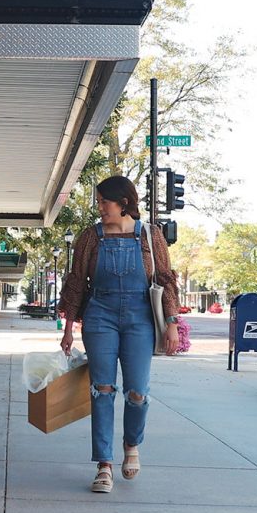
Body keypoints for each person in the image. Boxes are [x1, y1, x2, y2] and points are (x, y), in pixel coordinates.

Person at [58, 175, 179, 493]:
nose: (100, 208)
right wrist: (69, 328)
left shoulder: (150, 236)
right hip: (100, 317)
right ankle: (104, 465)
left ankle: (131, 444)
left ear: (123, 203)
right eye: (98, 202)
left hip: (140, 317)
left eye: (103, 202)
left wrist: (172, 324)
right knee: (102, 389)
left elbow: (165, 279)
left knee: (137, 392)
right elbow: (75, 282)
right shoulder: (90, 237)